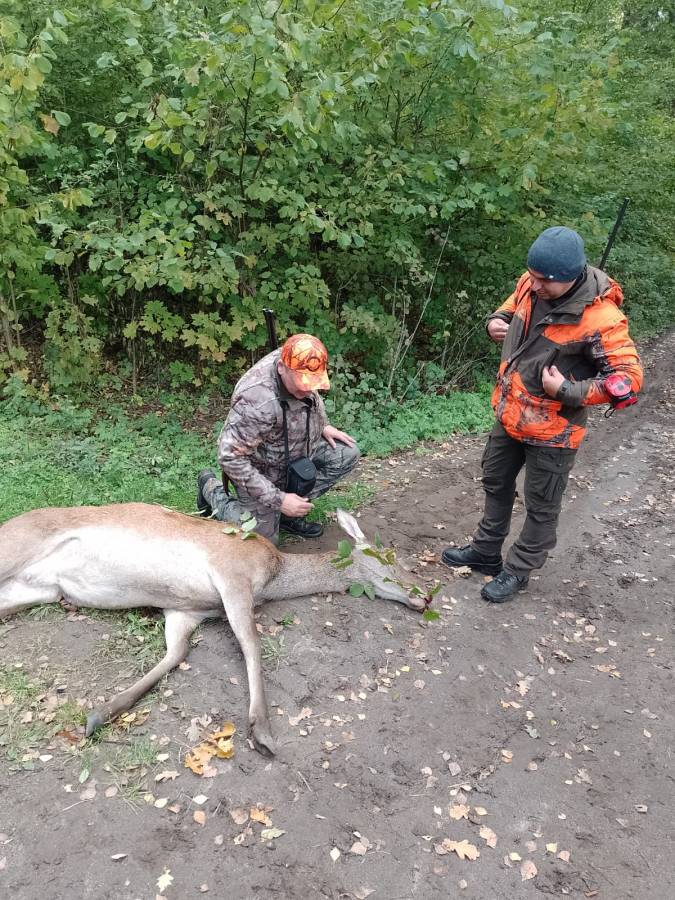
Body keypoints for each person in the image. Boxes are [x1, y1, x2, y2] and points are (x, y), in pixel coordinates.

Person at [441, 226, 643, 602]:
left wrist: (566, 390)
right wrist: (495, 322)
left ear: (569, 276)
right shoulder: (531, 282)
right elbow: (510, 307)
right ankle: (485, 552)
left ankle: (518, 570)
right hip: (511, 412)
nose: (533, 285)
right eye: (531, 276)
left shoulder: (602, 319)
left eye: (543, 280)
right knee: (495, 482)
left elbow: (628, 381)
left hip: (554, 431)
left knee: (541, 503)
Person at [196, 333, 359, 544]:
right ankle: (211, 489)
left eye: (313, 383)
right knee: (260, 543)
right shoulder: (257, 400)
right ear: (281, 367)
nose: (308, 389)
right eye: (301, 384)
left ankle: (288, 515)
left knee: (346, 453)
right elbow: (230, 457)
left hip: (293, 454)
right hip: (259, 469)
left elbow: (312, 396)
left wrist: (323, 425)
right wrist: (279, 500)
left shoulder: (299, 359)